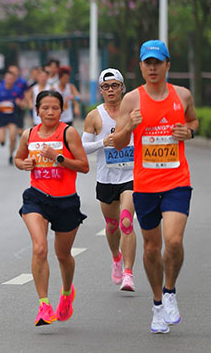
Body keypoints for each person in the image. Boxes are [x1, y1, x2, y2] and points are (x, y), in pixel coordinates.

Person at [112, 40, 198, 334]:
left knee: (173, 241)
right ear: (140, 67)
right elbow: (119, 143)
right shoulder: (132, 101)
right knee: (151, 247)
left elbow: (194, 121)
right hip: (146, 184)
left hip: (176, 181)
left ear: (167, 65)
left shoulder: (182, 95)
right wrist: (129, 127)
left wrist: (190, 131)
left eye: (157, 63)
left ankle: (170, 292)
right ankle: (158, 304)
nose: (152, 68)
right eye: (147, 63)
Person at [14, 89, 89, 327]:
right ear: (36, 111)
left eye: (55, 108)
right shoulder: (29, 134)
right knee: (39, 248)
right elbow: (18, 158)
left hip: (66, 201)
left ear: (62, 110)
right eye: (44, 108)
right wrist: (24, 163)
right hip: (37, 198)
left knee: (63, 255)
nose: (49, 112)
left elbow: (84, 166)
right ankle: (44, 305)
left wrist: (58, 158)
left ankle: (67, 293)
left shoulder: (69, 132)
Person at [82, 68, 136, 292]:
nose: (111, 90)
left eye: (115, 85)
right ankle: (116, 257)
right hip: (107, 178)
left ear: (122, 88)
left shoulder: (134, 111)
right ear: (101, 90)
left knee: (126, 221)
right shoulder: (95, 116)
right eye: (106, 86)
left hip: (132, 176)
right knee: (112, 225)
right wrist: (102, 143)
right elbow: (82, 148)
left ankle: (128, 273)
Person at [0, 69, 24, 165]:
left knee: (12, 136)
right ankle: (3, 141)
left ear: (14, 80)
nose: (9, 80)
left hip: (12, 116)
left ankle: (11, 155)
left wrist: (19, 103)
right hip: (1, 117)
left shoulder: (17, 90)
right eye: (8, 78)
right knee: (2, 140)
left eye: (11, 79)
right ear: (5, 79)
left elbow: (23, 104)